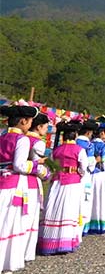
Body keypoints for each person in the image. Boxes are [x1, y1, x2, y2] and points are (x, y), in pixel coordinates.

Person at [1, 104, 48, 271]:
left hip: (2, 181)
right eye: (30, 122)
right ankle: (8, 260)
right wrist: (37, 166)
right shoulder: (21, 140)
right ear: (23, 121)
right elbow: (20, 165)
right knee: (10, 222)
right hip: (14, 184)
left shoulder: (2, 136)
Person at [38, 120, 87, 255]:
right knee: (68, 210)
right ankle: (65, 241)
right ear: (75, 136)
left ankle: (50, 239)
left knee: (54, 208)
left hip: (57, 181)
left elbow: (52, 166)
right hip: (72, 182)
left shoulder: (57, 150)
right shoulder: (79, 150)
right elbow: (83, 168)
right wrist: (78, 174)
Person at [25, 112, 52, 262]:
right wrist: (47, 174)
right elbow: (37, 165)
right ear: (39, 126)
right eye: (46, 127)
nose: (47, 130)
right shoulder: (38, 142)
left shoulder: (20, 137)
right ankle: (27, 251)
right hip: (30, 180)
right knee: (30, 215)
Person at [75, 119, 98, 236]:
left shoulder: (74, 142)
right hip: (84, 175)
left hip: (71, 175)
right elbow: (90, 163)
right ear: (89, 133)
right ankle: (81, 228)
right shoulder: (89, 145)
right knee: (84, 200)